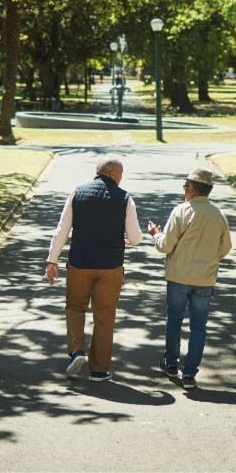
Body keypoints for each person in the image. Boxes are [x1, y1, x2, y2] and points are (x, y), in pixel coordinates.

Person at [45, 156, 144, 382]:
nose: (121, 178)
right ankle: (99, 369)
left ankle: (77, 351)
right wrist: (126, 237)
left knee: (75, 307)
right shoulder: (125, 199)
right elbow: (136, 238)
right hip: (110, 267)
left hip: (80, 263)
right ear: (113, 174)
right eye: (121, 174)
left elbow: (62, 229)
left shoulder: (77, 193)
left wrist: (52, 260)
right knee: (104, 315)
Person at [147, 167, 232, 390]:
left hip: (178, 276)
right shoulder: (218, 214)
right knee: (199, 326)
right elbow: (226, 248)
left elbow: (165, 246)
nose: (184, 190)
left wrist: (156, 235)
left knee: (174, 319)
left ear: (193, 190)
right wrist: (211, 258)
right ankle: (190, 373)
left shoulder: (181, 211)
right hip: (205, 278)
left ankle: (171, 363)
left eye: (185, 187)